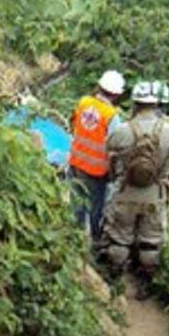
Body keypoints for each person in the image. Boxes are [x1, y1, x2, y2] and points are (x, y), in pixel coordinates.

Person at [103, 80, 169, 298]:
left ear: (135, 103)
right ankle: (144, 285)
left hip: (126, 191)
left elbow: (109, 152)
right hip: (155, 194)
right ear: (156, 103)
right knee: (151, 241)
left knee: (119, 237)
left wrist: (115, 176)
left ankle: (114, 280)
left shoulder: (123, 130)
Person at [68, 69, 125, 243]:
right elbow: (116, 147)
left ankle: (74, 238)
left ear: (99, 86)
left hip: (76, 162)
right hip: (96, 170)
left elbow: (73, 124)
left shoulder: (83, 102)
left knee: (77, 203)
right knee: (96, 209)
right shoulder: (111, 116)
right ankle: (95, 242)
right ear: (116, 95)